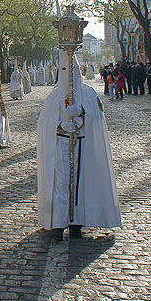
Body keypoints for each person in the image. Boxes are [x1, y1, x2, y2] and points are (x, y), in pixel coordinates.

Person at [37, 49, 121, 241]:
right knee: (60, 184)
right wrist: (60, 124)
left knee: (79, 185)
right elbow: (44, 123)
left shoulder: (89, 94)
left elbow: (98, 118)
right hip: (60, 143)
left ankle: (77, 223)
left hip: (81, 145)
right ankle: (58, 223)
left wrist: (83, 112)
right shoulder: (54, 96)